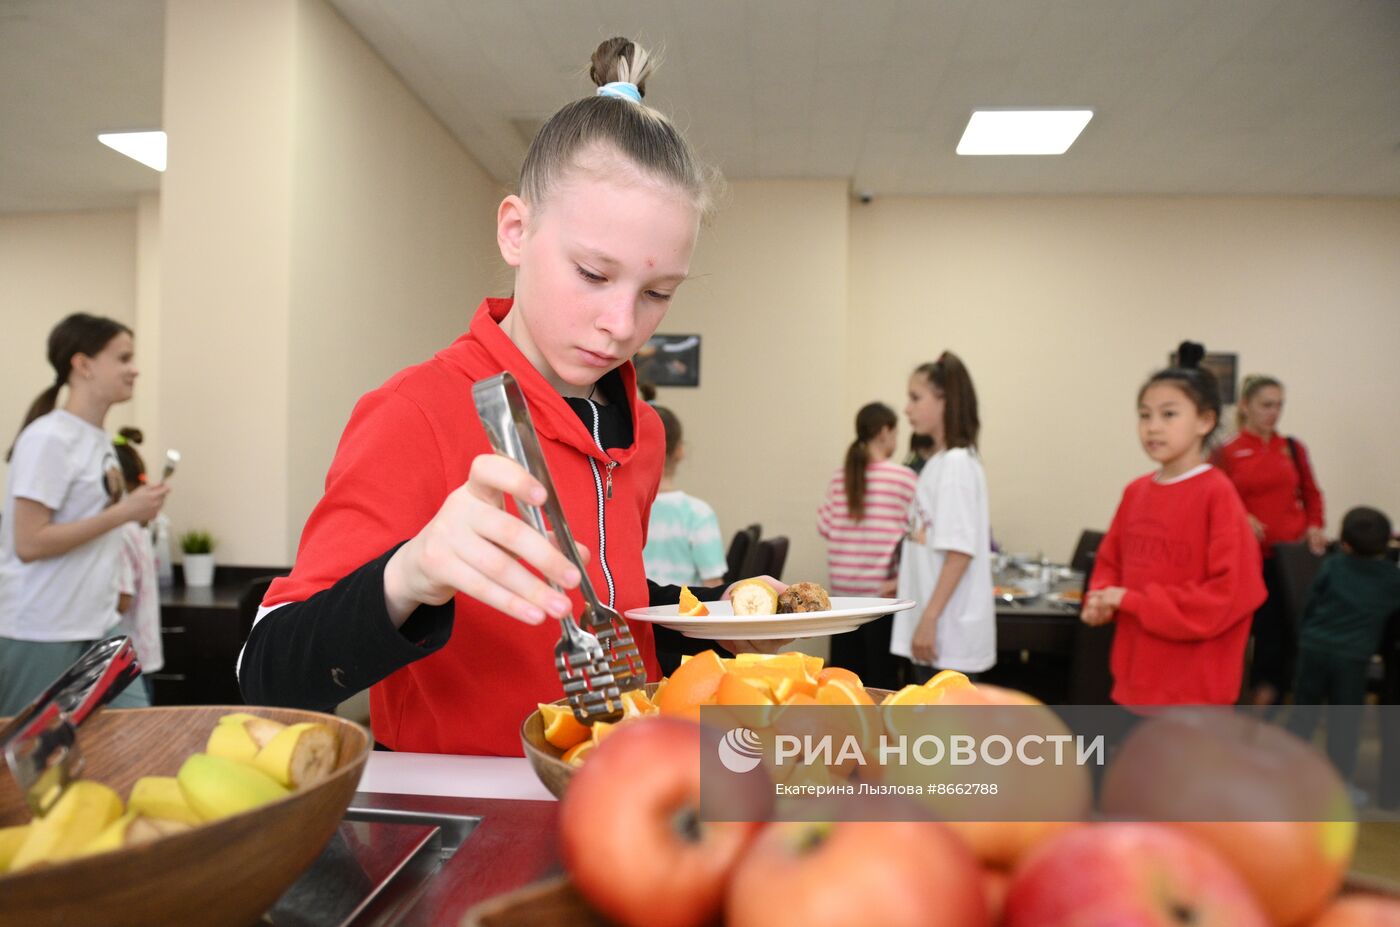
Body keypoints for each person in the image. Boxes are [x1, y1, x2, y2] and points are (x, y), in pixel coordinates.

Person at [238, 38, 756, 755]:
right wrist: (410, 571)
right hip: (467, 824)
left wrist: (715, 621)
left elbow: (605, 595)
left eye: (658, 292)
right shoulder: (415, 411)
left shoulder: (640, 430)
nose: (622, 324)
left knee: (883, 784)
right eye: (592, 273)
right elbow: (265, 672)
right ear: (516, 230)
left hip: (618, 791)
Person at [0, 313, 169, 714]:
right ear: (83, 364)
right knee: (23, 765)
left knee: (137, 737)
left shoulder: (100, 443)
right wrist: (125, 512)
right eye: (124, 358)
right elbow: (29, 543)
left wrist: (133, 510)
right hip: (42, 627)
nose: (135, 369)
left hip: (98, 623)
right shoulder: (48, 438)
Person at [1082, 342, 1266, 705]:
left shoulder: (1217, 494)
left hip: (1193, 691)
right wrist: (1099, 596)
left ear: (1205, 421)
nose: (1153, 428)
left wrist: (1132, 601)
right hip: (1135, 681)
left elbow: (1228, 596)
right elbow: (1110, 562)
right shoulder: (1135, 492)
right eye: (1144, 415)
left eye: (1169, 415)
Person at [1213, 373, 1327, 706]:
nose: (1274, 413)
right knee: (1243, 632)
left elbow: (1311, 494)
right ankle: (1231, 702)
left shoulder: (1291, 447)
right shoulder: (1227, 451)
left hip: (1288, 559)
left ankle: (1268, 710)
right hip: (1248, 558)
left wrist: (1315, 525)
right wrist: (1240, 516)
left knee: (1279, 639)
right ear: (1246, 405)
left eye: (1279, 406)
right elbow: (1211, 499)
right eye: (1267, 405)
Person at [891, 354, 995, 682]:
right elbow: (931, 543)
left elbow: (959, 552)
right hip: (937, 630)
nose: (906, 409)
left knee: (946, 732)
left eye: (915, 398)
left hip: (947, 634)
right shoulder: (939, 462)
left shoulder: (956, 465)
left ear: (945, 401)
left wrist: (929, 619)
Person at [1289, 506, 1400, 787]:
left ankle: (1285, 774)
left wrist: (1306, 633)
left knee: (1303, 715)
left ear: (1346, 543)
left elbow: (1311, 603)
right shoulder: (1392, 579)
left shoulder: (1334, 564)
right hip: (1352, 658)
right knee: (1345, 724)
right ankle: (1339, 783)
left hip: (1314, 647)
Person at [819, 402, 917, 688]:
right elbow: (919, 536)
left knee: (843, 683)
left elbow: (825, 526)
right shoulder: (904, 478)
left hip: (841, 600)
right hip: (881, 598)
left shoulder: (840, 477)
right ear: (885, 432)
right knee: (881, 683)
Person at [642, 405, 726, 588]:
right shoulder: (698, 513)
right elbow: (713, 585)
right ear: (679, 451)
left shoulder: (620, 511)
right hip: (681, 612)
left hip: (630, 614)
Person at [112, 427, 164, 704]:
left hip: (123, 654)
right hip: (146, 654)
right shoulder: (139, 529)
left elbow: (122, 598)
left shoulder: (119, 531)